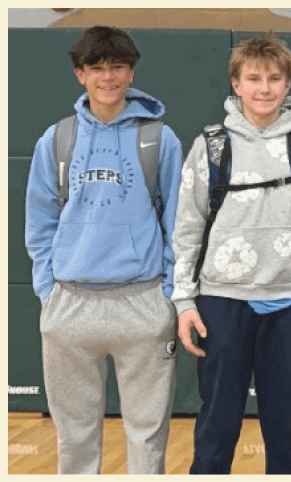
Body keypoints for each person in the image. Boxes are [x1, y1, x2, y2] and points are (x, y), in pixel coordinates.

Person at [171, 34, 291, 474]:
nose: (264, 88)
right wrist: (185, 301)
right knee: (216, 425)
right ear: (236, 84)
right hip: (220, 303)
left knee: (286, 430)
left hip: (288, 304)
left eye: (274, 79)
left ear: (288, 86)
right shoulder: (209, 146)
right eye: (253, 78)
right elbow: (187, 229)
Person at [24, 25, 183, 475]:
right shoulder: (56, 140)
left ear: (131, 73)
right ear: (80, 74)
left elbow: (179, 225)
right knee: (73, 435)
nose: (107, 77)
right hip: (70, 305)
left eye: (117, 67)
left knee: (147, 432)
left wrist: (166, 295)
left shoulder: (159, 139)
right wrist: (47, 290)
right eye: (97, 68)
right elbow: (39, 222)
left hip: (142, 302)